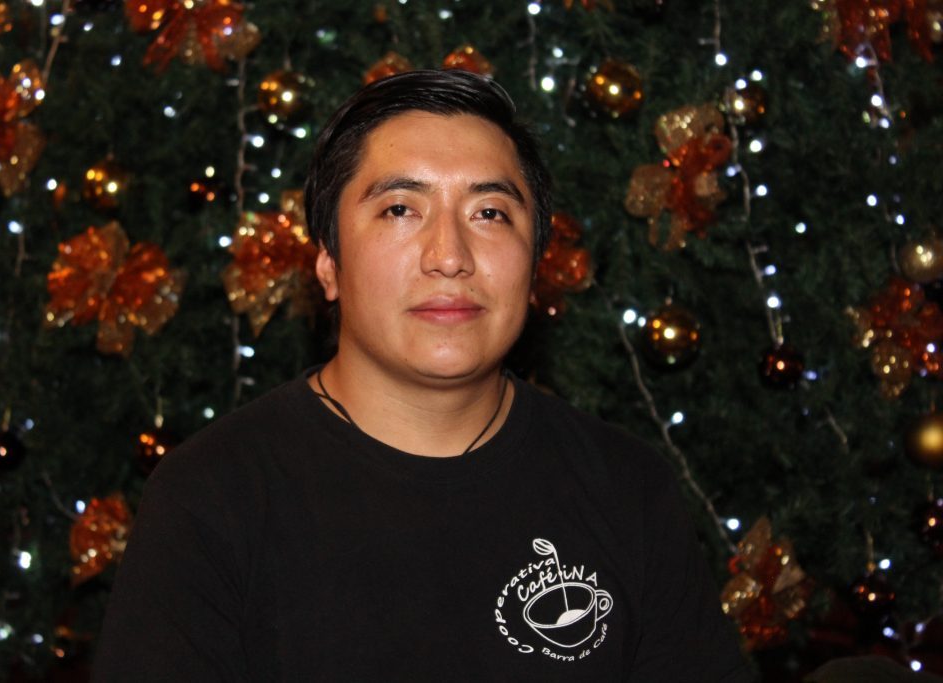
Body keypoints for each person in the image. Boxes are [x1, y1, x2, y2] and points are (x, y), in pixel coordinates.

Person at [93, 69, 755, 682]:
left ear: (535, 267)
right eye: (400, 209)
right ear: (328, 264)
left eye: (489, 213)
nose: (449, 255)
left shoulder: (628, 489)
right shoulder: (210, 498)